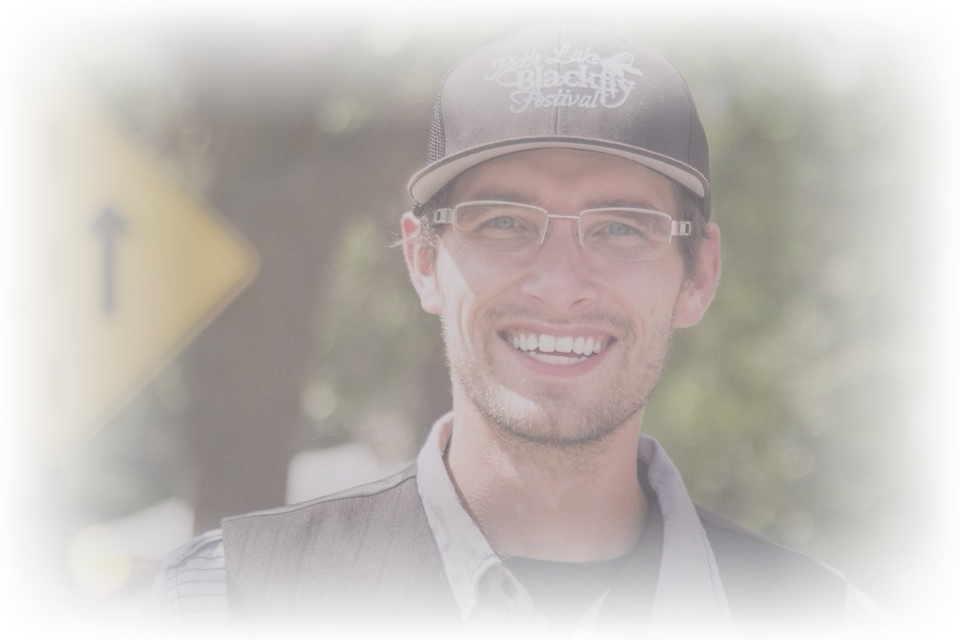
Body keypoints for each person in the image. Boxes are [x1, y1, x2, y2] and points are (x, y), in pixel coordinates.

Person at [131, 22, 892, 640]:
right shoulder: (222, 610)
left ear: (698, 274)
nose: (559, 284)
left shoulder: (821, 626)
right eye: (502, 221)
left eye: (622, 227)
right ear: (424, 261)